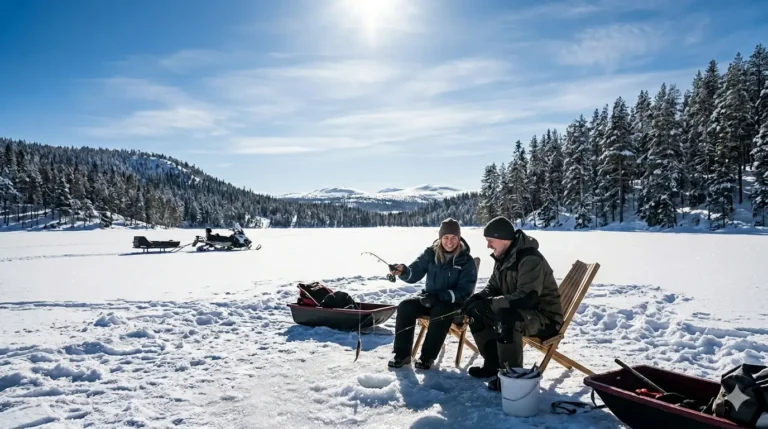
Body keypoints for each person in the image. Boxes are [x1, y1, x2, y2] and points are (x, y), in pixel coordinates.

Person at [461, 216, 563, 391]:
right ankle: (493, 364)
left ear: (504, 239)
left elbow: (526, 298)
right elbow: (493, 287)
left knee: (507, 318)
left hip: (544, 318)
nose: (488, 246)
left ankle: (511, 377)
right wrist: (477, 299)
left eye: (490, 240)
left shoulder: (530, 259)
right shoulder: (503, 256)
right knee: (475, 312)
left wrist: (489, 304)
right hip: (522, 312)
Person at [387, 218, 478, 370]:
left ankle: (427, 357)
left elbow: (465, 291)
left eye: (454, 238)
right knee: (405, 306)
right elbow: (414, 272)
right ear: (440, 238)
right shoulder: (430, 254)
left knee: (441, 311)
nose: (450, 242)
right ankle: (401, 355)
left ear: (459, 238)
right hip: (429, 299)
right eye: (446, 237)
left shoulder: (466, 260)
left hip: (453, 305)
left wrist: (440, 296)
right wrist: (403, 271)